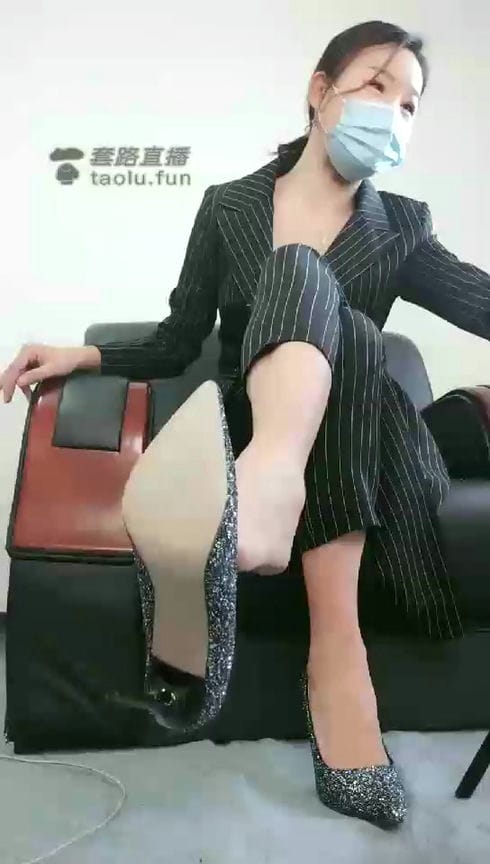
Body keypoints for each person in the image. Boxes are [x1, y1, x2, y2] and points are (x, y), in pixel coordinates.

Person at [2, 19, 489, 830]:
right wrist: (79, 353)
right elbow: (177, 341)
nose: (394, 114)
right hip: (251, 420)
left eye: (410, 104)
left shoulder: (403, 224)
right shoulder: (228, 206)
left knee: (351, 332)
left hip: (362, 432)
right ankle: (285, 526)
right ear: (320, 91)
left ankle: (275, 515)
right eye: (377, 87)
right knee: (302, 272)